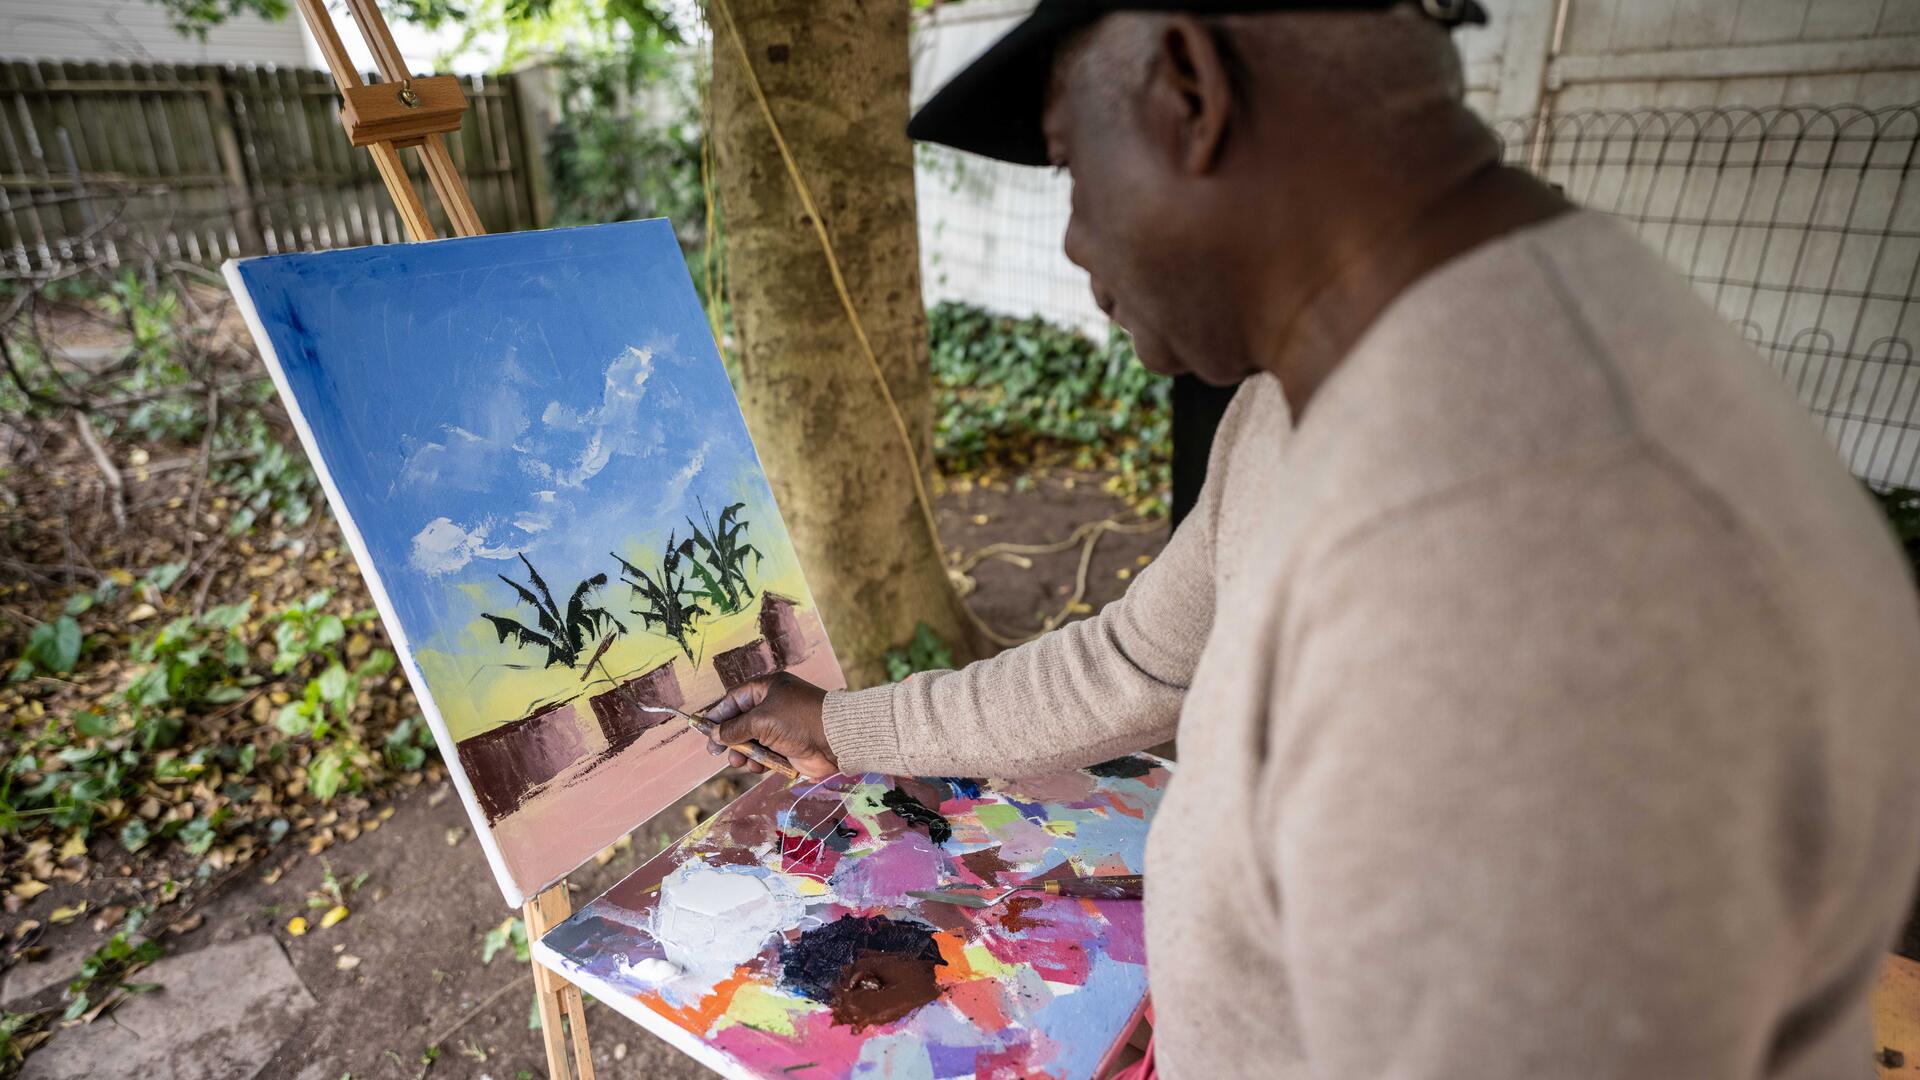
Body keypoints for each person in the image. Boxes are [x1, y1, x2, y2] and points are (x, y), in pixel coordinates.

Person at [708, 1, 1920, 1075]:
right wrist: (845, 727)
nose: (1075, 241)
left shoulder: (1554, 565)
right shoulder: (1308, 389)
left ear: (1191, 90)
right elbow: (1138, 664)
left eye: (1073, 168)